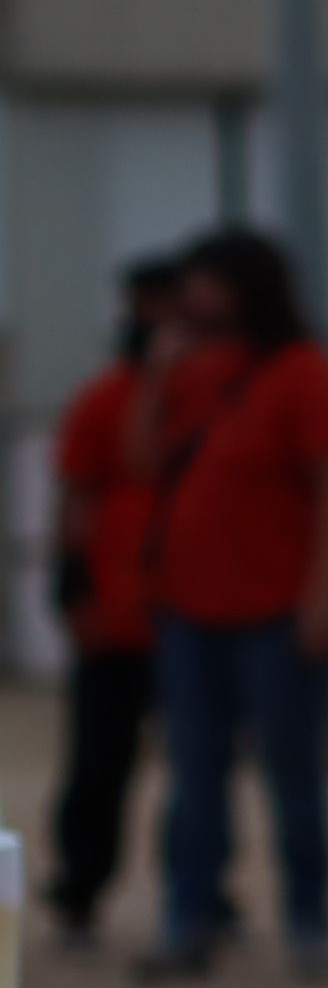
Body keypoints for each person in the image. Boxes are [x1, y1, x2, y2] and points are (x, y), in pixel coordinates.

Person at [129, 228, 328, 982]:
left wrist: (322, 596)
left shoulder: (303, 374)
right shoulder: (187, 372)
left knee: (292, 769)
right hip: (190, 610)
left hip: (276, 608)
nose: (194, 298)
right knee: (194, 772)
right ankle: (191, 918)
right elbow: (138, 462)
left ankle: (309, 920)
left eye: (210, 282)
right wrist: (156, 381)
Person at [42, 255, 181, 952]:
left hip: (186, 611)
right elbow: (76, 496)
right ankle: (80, 886)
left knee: (197, 767)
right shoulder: (104, 398)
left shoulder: (202, 398)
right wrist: (71, 585)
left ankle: (200, 890)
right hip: (117, 612)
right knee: (99, 760)